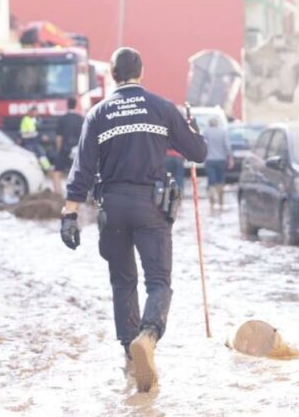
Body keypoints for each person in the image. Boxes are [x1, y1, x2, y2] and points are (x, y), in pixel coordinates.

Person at [60, 47, 207, 392]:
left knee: (122, 281)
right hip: (151, 206)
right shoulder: (160, 107)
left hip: (112, 207)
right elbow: (197, 153)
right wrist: (192, 129)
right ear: (142, 71)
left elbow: (81, 169)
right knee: (158, 281)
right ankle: (149, 335)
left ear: (112, 75)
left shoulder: (97, 114)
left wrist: (69, 213)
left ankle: (129, 354)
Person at [53, 98, 84, 195]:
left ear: (67, 105)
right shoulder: (81, 118)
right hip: (78, 150)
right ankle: (80, 194)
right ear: (76, 105)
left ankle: (58, 194)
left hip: (65, 149)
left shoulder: (62, 119)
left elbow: (59, 137)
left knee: (57, 172)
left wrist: (59, 151)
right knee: (80, 173)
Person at [202, 117, 233, 209]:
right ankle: (221, 201)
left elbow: (203, 145)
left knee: (211, 180)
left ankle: (212, 201)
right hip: (221, 159)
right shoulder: (223, 131)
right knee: (220, 179)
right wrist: (230, 158)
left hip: (209, 159)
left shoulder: (206, 132)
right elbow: (227, 145)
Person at [19, 106, 51, 171]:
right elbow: (24, 134)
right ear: (30, 112)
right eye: (35, 112)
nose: (36, 114)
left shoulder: (34, 119)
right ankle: (30, 170)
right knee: (30, 157)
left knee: (41, 154)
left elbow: (37, 129)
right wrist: (36, 134)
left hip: (35, 142)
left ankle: (47, 168)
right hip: (28, 142)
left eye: (36, 113)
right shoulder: (25, 120)